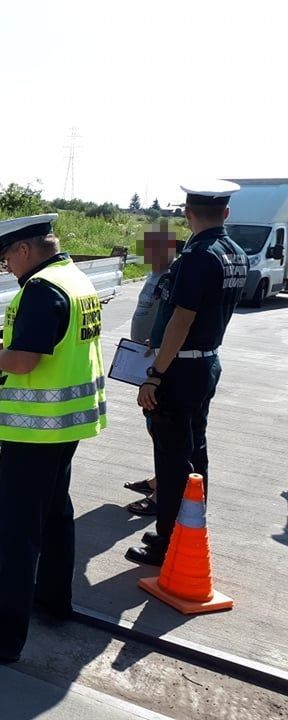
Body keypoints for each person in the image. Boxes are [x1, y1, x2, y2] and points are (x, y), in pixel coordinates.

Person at [0, 214, 107, 662]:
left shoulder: (41, 289)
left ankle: (3, 633)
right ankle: (54, 599)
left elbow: (25, 362)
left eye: (8, 257)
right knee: (55, 513)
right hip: (68, 423)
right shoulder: (74, 278)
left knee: (18, 530)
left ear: (26, 250)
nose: (7, 266)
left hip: (37, 426)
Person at [126, 181, 248, 565]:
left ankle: (168, 542)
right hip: (207, 362)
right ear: (225, 213)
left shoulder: (198, 256)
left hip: (180, 368)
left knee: (173, 457)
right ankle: (191, 526)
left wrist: (156, 374)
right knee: (196, 452)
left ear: (187, 213)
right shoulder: (234, 252)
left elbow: (182, 318)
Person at [123, 222, 180, 516]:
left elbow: (176, 320)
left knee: (159, 427)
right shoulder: (155, 274)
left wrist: (156, 345)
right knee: (152, 425)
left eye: (151, 247)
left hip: (158, 362)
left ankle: (162, 492)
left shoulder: (173, 275)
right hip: (142, 360)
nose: (145, 252)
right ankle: (159, 480)